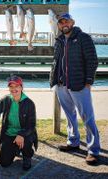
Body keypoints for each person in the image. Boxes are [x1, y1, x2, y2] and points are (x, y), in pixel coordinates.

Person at [50, 13, 100, 165]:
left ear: (72, 22)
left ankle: (93, 150)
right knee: (70, 115)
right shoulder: (58, 40)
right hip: (61, 85)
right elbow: (56, 61)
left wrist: (89, 80)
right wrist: (54, 80)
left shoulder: (83, 37)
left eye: (66, 21)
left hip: (79, 84)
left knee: (87, 117)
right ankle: (73, 142)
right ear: (58, 25)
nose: (64, 24)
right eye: (61, 22)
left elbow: (92, 60)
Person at [0, 75, 38, 171]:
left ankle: (27, 155)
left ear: (21, 87)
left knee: (27, 141)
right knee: (4, 163)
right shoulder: (5, 100)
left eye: (16, 86)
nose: (13, 89)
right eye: (11, 86)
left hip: (25, 134)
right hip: (9, 133)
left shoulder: (29, 103)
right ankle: (15, 149)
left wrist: (21, 134)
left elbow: (32, 125)